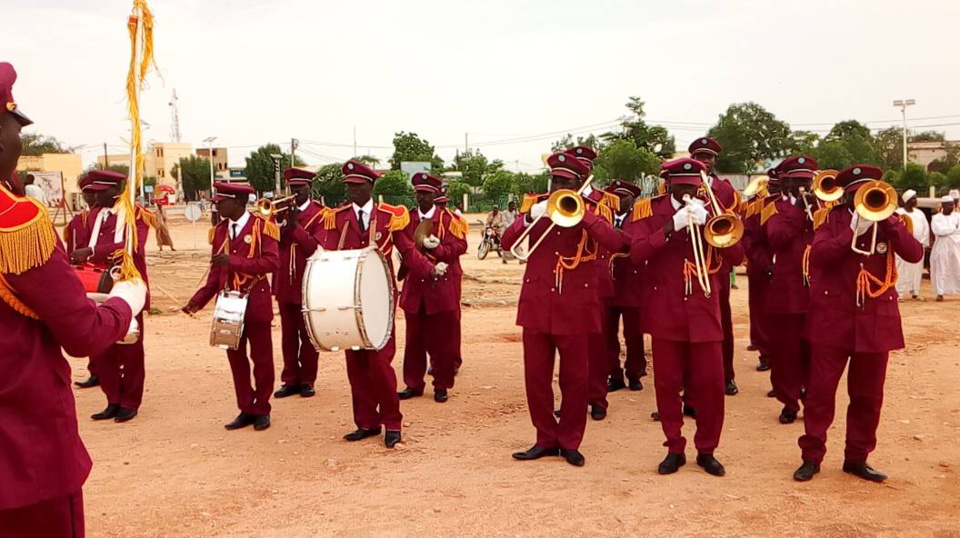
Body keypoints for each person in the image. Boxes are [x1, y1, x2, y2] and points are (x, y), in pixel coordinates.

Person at [0, 60, 147, 538]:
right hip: (22, 453)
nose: (20, 142)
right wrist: (125, 300)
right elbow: (82, 334)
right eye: (14, 126)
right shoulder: (15, 220)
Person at [794, 164, 923, 483]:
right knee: (821, 392)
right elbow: (820, 255)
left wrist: (891, 225)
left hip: (876, 320)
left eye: (869, 191)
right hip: (832, 319)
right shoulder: (831, 219)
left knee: (868, 395)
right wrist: (852, 231)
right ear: (847, 196)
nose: (863, 199)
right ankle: (812, 455)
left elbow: (915, 253)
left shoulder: (893, 218)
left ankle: (857, 457)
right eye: (856, 194)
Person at [502, 151, 625, 467]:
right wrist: (531, 217)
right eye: (554, 179)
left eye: (565, 181)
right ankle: (544, 438)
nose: (558, 186)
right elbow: (506, 243)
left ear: (579, 182)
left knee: (575, 379)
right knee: (536, 378)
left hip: (576, 305)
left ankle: (570, 441)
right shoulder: (538, 206)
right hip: (537, 304)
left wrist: (583, 214)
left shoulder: (595, 210)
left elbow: (617, 243)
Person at [629, 158, 744, 477]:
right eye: (682, 190)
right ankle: (674, 447)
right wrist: (671, 226)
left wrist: (711, 221)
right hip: (665, 309)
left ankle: (707, 449)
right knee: (667, 384)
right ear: (669, 186)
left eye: (694, 189)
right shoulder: (648, 211)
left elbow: (737, 256)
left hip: (704, 310)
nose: (690, 195)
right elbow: (635, 253)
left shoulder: (716, 210)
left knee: (710, 384)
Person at [313, 160, 439, 448]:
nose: (352, 191)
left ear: (370, 186)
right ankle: (366, 422)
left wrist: (429, 269)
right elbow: (325, 254)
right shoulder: (337, 217)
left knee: (380, 362)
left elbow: (407, 250)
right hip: (346, 299)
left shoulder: (388, 216)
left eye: (357, 186)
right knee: (355, 362)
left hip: (381, 298)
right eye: (349, 186)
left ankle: (392, 421)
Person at [183, 182, 279, 432]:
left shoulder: (262, 226)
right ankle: (246, 407)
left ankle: (262, 408)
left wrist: (235, 262)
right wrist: (198, 301)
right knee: (235, 359)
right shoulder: (219, 231)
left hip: (255, 301)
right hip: (228, 305)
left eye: (221, 202)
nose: (217, 206)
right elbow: (216, 271)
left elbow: (271, 262)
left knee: (262, 359)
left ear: (237, 202)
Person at [71, 170, 153, 423]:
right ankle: (113, 399)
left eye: (99, 190)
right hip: (99, 285)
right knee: (103, 346)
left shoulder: (136, 213)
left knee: (130, 346)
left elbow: (131, 246)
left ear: (115, 189)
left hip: (127, 285)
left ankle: (130, 401)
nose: (94, 195)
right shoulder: (93, 216)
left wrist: (93, 251)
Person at [398, 172, 468, 403]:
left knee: (443, 341)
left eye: (427, 193)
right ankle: (413, 383)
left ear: (435, 193)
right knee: (414, 340)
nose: (423, 198)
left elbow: (460, 246)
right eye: (419, 193)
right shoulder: (406, 218)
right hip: (416, 285)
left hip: (441, 286)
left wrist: (438, 250)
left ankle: (441, 384)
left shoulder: (449, 219)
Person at [764, 156, 818, 425]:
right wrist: (798, 209)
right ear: (785, 181)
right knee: (785, 351)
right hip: (786, 291)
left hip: (817, 292)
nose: (803, 186)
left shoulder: (823, 207)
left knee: (815, 350)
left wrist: (817, 211)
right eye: (798, 181)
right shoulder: (773, 209)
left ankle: (811, 396)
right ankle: (788, 400)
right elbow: (776, 239)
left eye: (807, 181)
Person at [569, 145, 621, 421]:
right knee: (570, 346)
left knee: (596, 344)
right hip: (565, 280)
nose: (582, 168)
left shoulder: (603, 201)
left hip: (594, 278)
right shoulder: (556, 198)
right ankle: (574, 399)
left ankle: (597, 397)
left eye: (585, 164)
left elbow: (607, 238)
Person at [690, 137, 740, 396]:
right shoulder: (679, 184)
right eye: (699, 156)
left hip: (716, 263)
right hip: (687, 264)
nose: (704, 161)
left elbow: (731, 223)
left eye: (708, 157)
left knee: (722, 320)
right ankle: (692, 380)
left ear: (714, 161)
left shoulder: (725, 189)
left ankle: (726, 375)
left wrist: (709, 211)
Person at [273, 168, 325, 399]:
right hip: (285, 279)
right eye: (292, 189)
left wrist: (295, 225)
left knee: (308, 334)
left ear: (309, 189)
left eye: (300, 189)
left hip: (308, 280)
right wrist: (279, 223)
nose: (295, 193)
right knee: (288, 335)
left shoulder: (321, 214)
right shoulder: (281, 212)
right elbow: (273, 244)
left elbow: (315, 247)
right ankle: (290, 378)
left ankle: (307, 379)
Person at [606, 179, 647, 392]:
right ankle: (614, 374)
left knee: (633, 334)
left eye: (625, 197)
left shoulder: (640, 218)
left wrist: (613, 233)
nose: (620, 201)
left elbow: (638, 242)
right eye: (617, 197)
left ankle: (635, 372)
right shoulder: (603, 215)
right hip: (607, 284)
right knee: (607, 334)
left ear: (633, 200)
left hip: (632, 283)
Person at [64, 175, 102, 389]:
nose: (89, 196)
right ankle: (95, 370)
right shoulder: (77, 220)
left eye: (92, 192)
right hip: (84, 276)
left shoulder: (106, 216)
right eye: (85, 192)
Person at [894, 189, 929, 300]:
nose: (916, 200)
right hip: (902, 246)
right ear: (907, 200)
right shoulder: (898, 213)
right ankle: (899, 292)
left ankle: (915, 291)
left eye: (916, 198)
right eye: (913, 198)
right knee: (901, 268)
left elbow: (926, 228)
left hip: (918, 245)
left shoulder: (920, 213)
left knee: (917, 268)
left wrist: (922, 242)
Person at [930, 196, 960, 301]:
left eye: (953, 204)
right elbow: (938, 231)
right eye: (949, 204)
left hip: (956, 246)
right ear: (943, 205)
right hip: (942, 247)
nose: (952, 206)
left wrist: (949, 231)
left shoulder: (957, 216)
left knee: (957, 267)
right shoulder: (936, 218)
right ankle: (940, 292)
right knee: (941, 268)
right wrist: (953, 229)